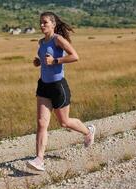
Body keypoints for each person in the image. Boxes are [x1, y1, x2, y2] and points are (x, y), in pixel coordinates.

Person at [26, 12, 96, 171]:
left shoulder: (58, 39)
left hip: (58, 86)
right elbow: (44, 60)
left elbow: (75, 56)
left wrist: (56, 61)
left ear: (53, 24)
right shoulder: (41, 42)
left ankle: (88, 131)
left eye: (45, 22)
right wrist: (39, 62)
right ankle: (39, 159)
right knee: (41, 123)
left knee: (64, 122)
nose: (42, 25)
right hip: (43, 85)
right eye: (40, 23)